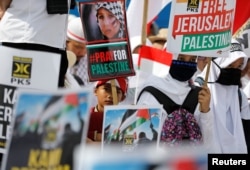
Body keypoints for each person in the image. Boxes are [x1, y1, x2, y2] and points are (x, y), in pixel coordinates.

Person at [137, 53, 213, 150]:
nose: (186, 64)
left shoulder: (200, 95)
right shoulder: (151, 95)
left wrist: (205, 111)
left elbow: (207, 144)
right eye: (180, 58)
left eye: (192, 60)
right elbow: (146, 145)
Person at [196, 39, 250, 153]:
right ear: (217, 62)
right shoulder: (197, 91)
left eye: (239, 66)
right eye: (230, 65)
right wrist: (205, 110)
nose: (234, 70)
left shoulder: (239, 95)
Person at [87, 77, 128, 142]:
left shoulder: (124, 120)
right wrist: (95, 135)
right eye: (106, 89)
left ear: (123, 98)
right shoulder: (85, 117)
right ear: (95, 91)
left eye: (117, 92)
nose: (110, 95)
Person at [66, 17, 90, 86]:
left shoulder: (93, 63)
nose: (83, 53)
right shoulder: (55, 62)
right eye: (78, 47)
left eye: (86, 48)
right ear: (66, 42)